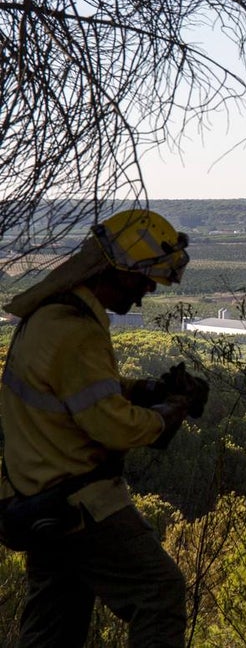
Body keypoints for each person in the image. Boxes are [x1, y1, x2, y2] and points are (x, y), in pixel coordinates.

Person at [0, 208, 203, 647]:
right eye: (144, 278)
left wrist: (147, 388)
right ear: (118, 268)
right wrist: (169, 411)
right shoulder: (76, 331)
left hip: (38, 503)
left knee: (52, 630)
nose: (148, 289)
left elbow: (81, 390)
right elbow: (113, 427)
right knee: (159, 593)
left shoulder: (53, 316)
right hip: (82, 505)